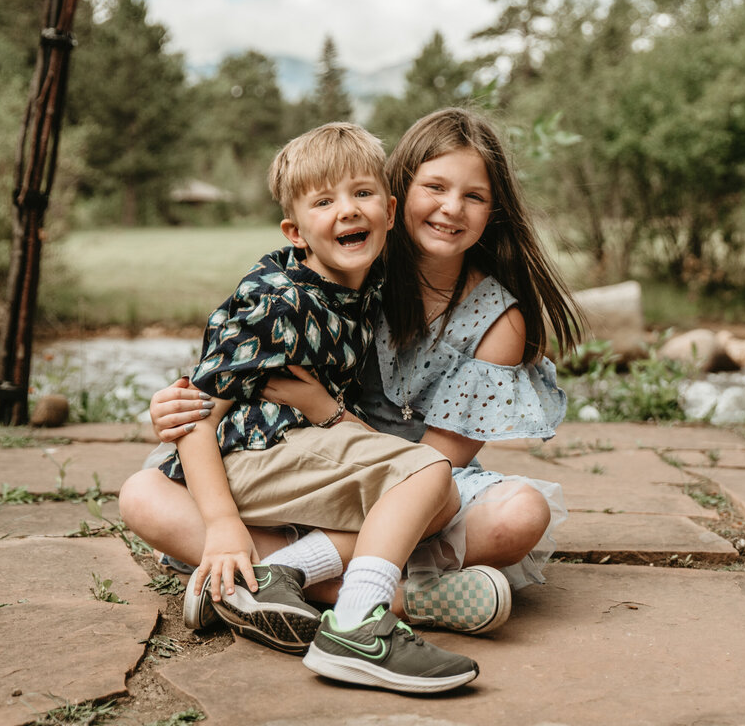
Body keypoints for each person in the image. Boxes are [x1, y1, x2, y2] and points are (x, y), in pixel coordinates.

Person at [150, 107, 581, 612]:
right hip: (314, 467)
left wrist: (325, 410)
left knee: (520, 514)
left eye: (475, 196)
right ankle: (406, 597)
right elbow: (244, 355)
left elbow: (433, 465)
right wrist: (179, 403)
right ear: (400, 195)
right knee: (144, 493)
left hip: (416, 480)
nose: (452, 209)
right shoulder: (356, 264)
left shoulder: (498, 322)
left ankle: (286, 575)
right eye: (435, 188)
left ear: (494, 211)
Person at [119, 121, 481, 694]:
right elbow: (196, 416)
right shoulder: (277, 300)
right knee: (429, 472)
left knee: (438, 499)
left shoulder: (363, 283)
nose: (347, 211)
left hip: (298, 452)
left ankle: (272, 579)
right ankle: (359, 625)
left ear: (389, 210)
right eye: (323, 201)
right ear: (296, 230)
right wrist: (221, 526)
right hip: (254, 454)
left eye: (362, 194)